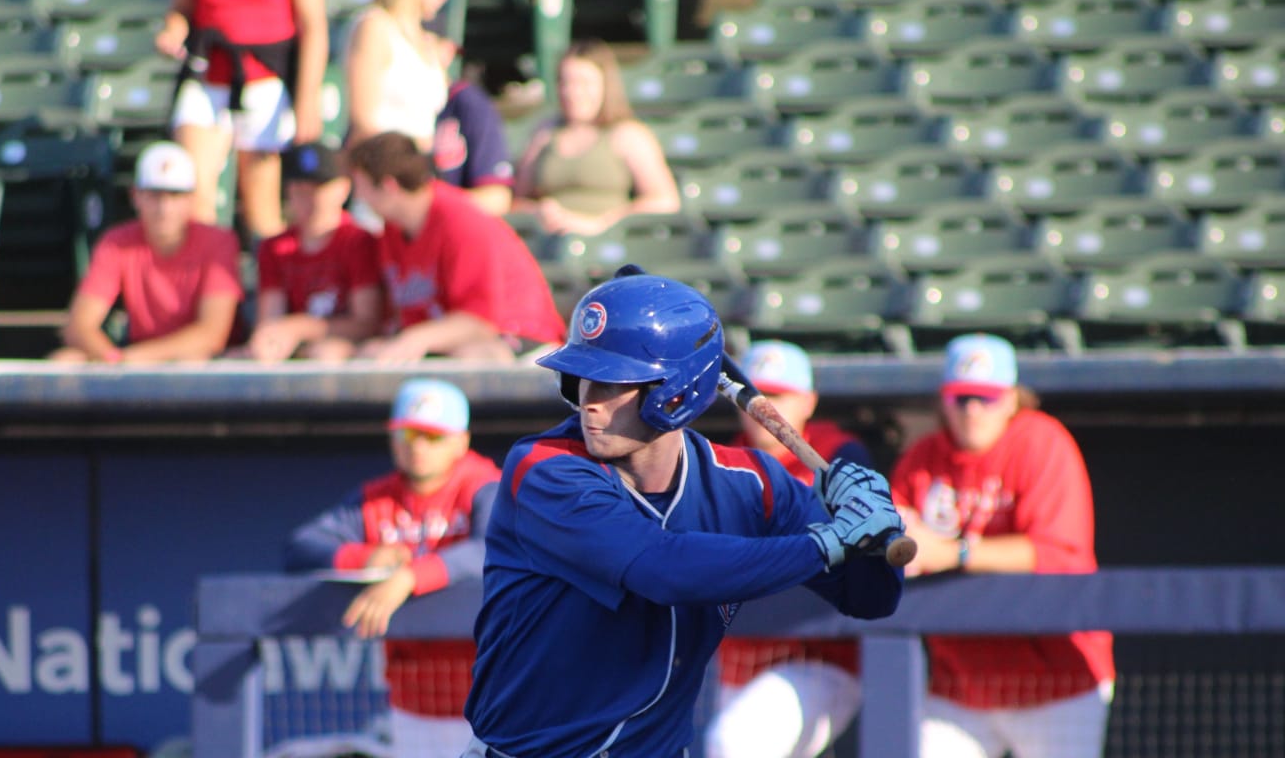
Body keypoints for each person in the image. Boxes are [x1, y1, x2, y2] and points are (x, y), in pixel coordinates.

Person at [462, 272, 906, 757]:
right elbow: (663, 568)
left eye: (614, 384)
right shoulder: (546, 469)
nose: (590, 403)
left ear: (675, 394)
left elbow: (870, 598)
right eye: (582, 380)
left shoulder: (748, 482)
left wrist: (872, 528)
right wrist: (827, 542)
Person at [890, 333, 1115, 758]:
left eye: (985, 398)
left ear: (1012, 399)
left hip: (1057, 681)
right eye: (961, 398)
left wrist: (954, 553)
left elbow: (1058, 553)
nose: (972, 411)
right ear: (943, 400)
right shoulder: (922, 459)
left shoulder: (1041, 443)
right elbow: (896, 540)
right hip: (960, 685)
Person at [286, 378, 501, 758]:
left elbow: (495, 545)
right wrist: (363, 557)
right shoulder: (377, 497)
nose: (416, 447)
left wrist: (410, 577)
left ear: (460, 441)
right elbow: (301, 547)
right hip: (412, 702)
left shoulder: (484, 485)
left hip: (492, 700)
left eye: (431, 437)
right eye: (407, 435)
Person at [708, 340, 876, 758]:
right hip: (733, 660)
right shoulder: (722, 462)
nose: (762, 408)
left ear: (808, 402)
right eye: (753, 394)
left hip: (818, 658)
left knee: (734, 744)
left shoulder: (840, 457)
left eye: (778, 395)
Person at [345, 131, 566, 364]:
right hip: (454, 342)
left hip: (523, 337)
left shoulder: (460, 221)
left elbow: (480, 323)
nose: (358, 196)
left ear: (389, 186)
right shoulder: (393, 230)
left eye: (362, 186)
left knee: (472, 356)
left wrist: (415, 339)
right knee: (371, 353)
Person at [156, 0, 328, 239]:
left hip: (265, 80)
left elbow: (314, 26)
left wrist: (307, 99)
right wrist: (172, 32)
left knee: (261, 211)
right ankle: (210, 272)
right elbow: (181, 9)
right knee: (196, 199)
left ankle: (269, 273)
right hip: (208, 76)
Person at [52, 141, 243, 364]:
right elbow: (79, 325)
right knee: (65, 360)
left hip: (200, 360)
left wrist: (133, 359)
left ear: (191, 199)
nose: (164, 208)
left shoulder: (218, 241)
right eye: (154, 195)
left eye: (175, 195)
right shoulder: (116, 242)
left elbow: (211, 335)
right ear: (136, 196)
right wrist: (113, 359)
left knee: (192, 360)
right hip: (135, 354)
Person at [511, 39, 679, 236]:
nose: (572, 92)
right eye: (565, 82)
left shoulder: (628, 134)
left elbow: (664, 200)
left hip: (608, 244)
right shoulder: (545, 133)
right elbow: (515, 202)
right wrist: (539, 211)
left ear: (605, 85)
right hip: (549, 241)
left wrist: (601, 223)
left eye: (583, 83)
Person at [246, 141, 384, 362]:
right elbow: (269, 322)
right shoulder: (275, 248)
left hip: (348, 351)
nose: (309, 199)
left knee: (327, 354)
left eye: (318, 189)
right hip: (295, 348)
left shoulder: (359, 241)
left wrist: (299, 328)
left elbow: (367, 323)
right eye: (299, 189)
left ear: (343, 188)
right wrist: (274, 339)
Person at [344, 0, 450, 151]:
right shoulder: (374, 26)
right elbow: (363, 123)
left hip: (420, 168)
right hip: (380, 165)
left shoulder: (429, 43)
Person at [432, 64, 513, 216]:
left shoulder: (468, 103)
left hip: (454, 227)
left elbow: (496, 198)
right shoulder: (386, 114)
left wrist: (427, 205)